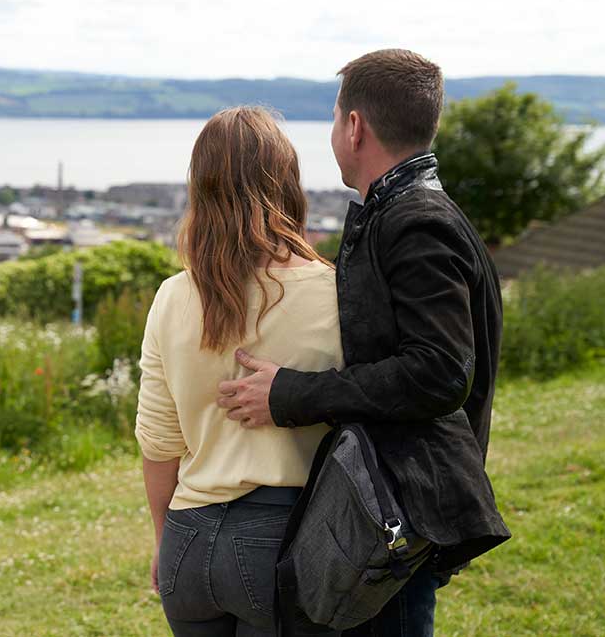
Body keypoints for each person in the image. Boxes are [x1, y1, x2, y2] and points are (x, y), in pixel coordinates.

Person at [216, 49, 511, 637]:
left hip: (399, 509)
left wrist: (293, 393)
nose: (331, 132)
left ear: (354, 126)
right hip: (393, 507)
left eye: (333, 116)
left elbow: (439, 373)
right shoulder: (409, 210)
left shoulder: (417, 221)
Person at [135, 106, 343, 637]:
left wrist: (165, 540)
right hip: (285, 537)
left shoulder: (172, 296)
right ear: (288, 182)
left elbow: (159, 442)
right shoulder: (334, 292)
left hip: (188, 536)